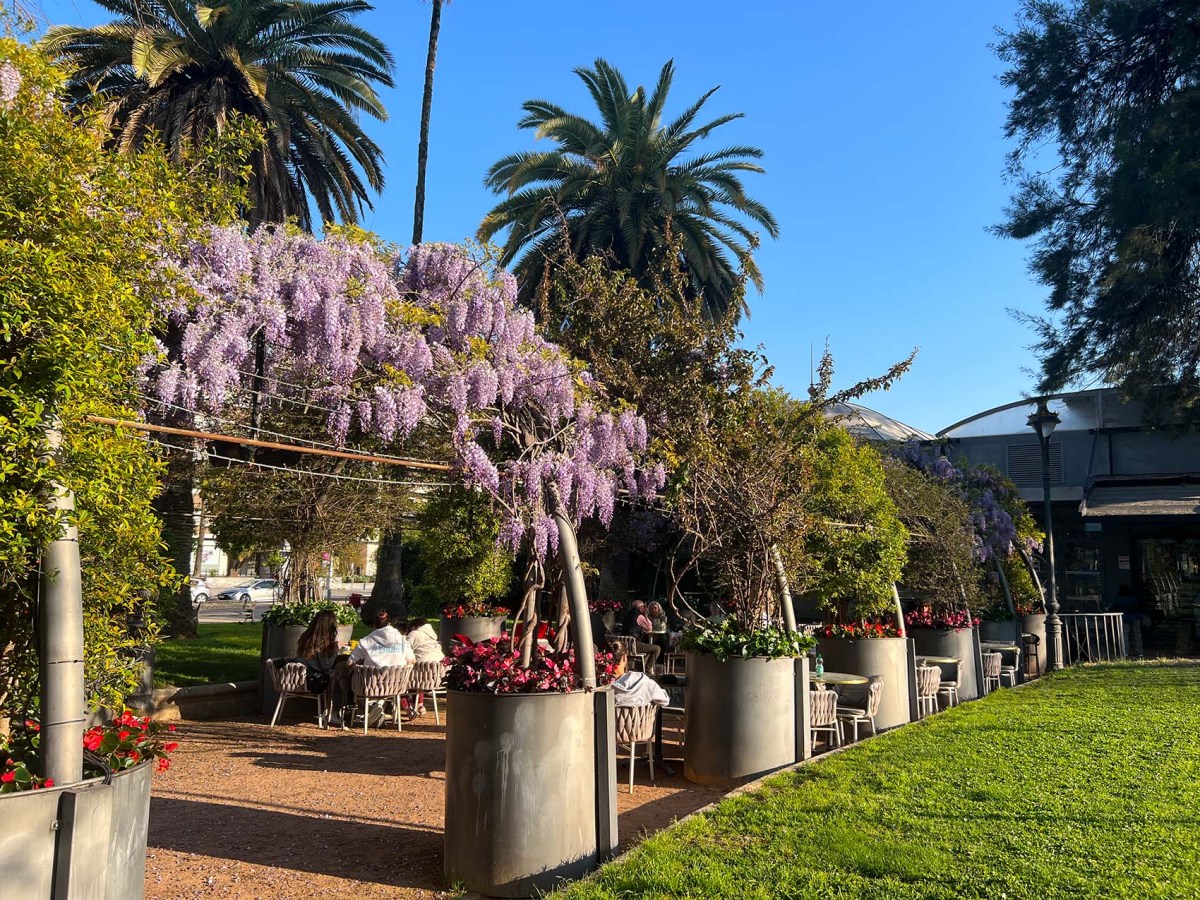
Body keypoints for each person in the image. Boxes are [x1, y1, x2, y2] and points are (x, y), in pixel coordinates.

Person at [296, 609, 349, 723]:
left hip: (301, 677)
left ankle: (336, 710)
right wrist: (335, 651)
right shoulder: (322, 642)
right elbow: (326, 666)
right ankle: (334, 712)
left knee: (340, 669)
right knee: (340, 675)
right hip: (315, 680)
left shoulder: (307, 637)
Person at [350, 610, 416, 668]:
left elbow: (350, 663)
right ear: (389, 623)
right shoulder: (402, 640)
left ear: (374, 625)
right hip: (399, 678)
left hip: (372, 678)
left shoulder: (365, 641)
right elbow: (412, 661)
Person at [1110, 584, 1144, 658]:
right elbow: (1140, 606)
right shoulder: (1135, 598)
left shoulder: (1118, 599)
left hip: (1124, 617)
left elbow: (1114, 607)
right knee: (1137, 635)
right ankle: (1140, 651)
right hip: (1135, 617)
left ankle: (1125, 652)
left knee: (1124, 635)